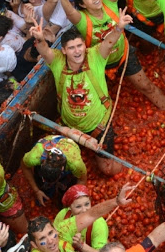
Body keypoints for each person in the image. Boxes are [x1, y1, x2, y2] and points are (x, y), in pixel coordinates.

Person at [58, 0, 165, 111]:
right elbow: (69, 11)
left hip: (124, 54)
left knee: (146, 86)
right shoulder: (82, 20)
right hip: (100, 64)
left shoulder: (108, 3)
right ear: (82, 5)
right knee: (101, 98)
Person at [30, 11, 131, 176]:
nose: (77, 51)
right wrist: (40, 39)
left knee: (107, 169)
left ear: (85, 45)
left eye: (79, 46)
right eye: (71, 48)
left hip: (99, 125)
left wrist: (119, 28)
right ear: (63, 50)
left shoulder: (95, 56)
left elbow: (109, 42)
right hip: (69, 127)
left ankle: (123, 171)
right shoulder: (57, 61)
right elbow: (45, 51)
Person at [27, 183, 134, 252]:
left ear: (56, 229)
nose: (50, 240)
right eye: (42, 239)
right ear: (34, 245)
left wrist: (116, 202)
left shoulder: (63, 230)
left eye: (50, 233)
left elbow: (91, 214)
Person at [21, 135, 89, 207]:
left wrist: (74, 200)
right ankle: (44, 193)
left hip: (68, 147)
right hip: (45, 144)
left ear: (62, 169)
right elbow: (25, 167)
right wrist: (36, 190)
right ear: (42, 163)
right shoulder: (34, 157)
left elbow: (82, 180)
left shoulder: (75, 163)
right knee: (42, 185)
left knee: (67, 186)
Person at [53, 185, 108, 252]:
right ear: (69, 207)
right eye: (78, 206)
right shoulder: (63, 215)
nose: (84, 210)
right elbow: (53, 239)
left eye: (87, 204)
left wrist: (81, 245)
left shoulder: (99, 223)